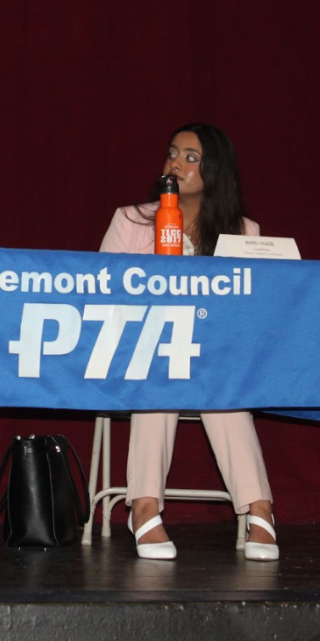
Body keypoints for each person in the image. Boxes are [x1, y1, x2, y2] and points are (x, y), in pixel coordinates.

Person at [98, 122, 278, 562]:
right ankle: (143, 507)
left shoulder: (244, 232)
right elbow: (98, 293)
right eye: (172, 153)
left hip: (214, 361)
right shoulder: (130, 220)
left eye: (191, 157)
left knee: (223, 389)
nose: (176, 163)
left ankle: (260, 510)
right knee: (161, 374)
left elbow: (254, 312)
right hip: (139, 354)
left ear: (214, 172)